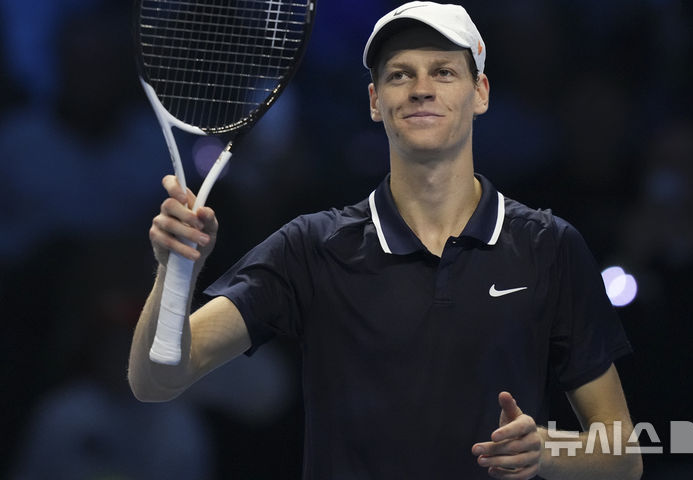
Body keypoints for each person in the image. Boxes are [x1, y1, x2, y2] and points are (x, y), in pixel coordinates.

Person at [128, 2, 642, 479]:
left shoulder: (548, 246)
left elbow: (624, 454)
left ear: (480, 93)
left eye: (443, 72)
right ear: (376, 102)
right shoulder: (310, 247)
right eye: (399, 74)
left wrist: (546, 450)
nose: (421, 89)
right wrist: (176, 269)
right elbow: (156, 380)